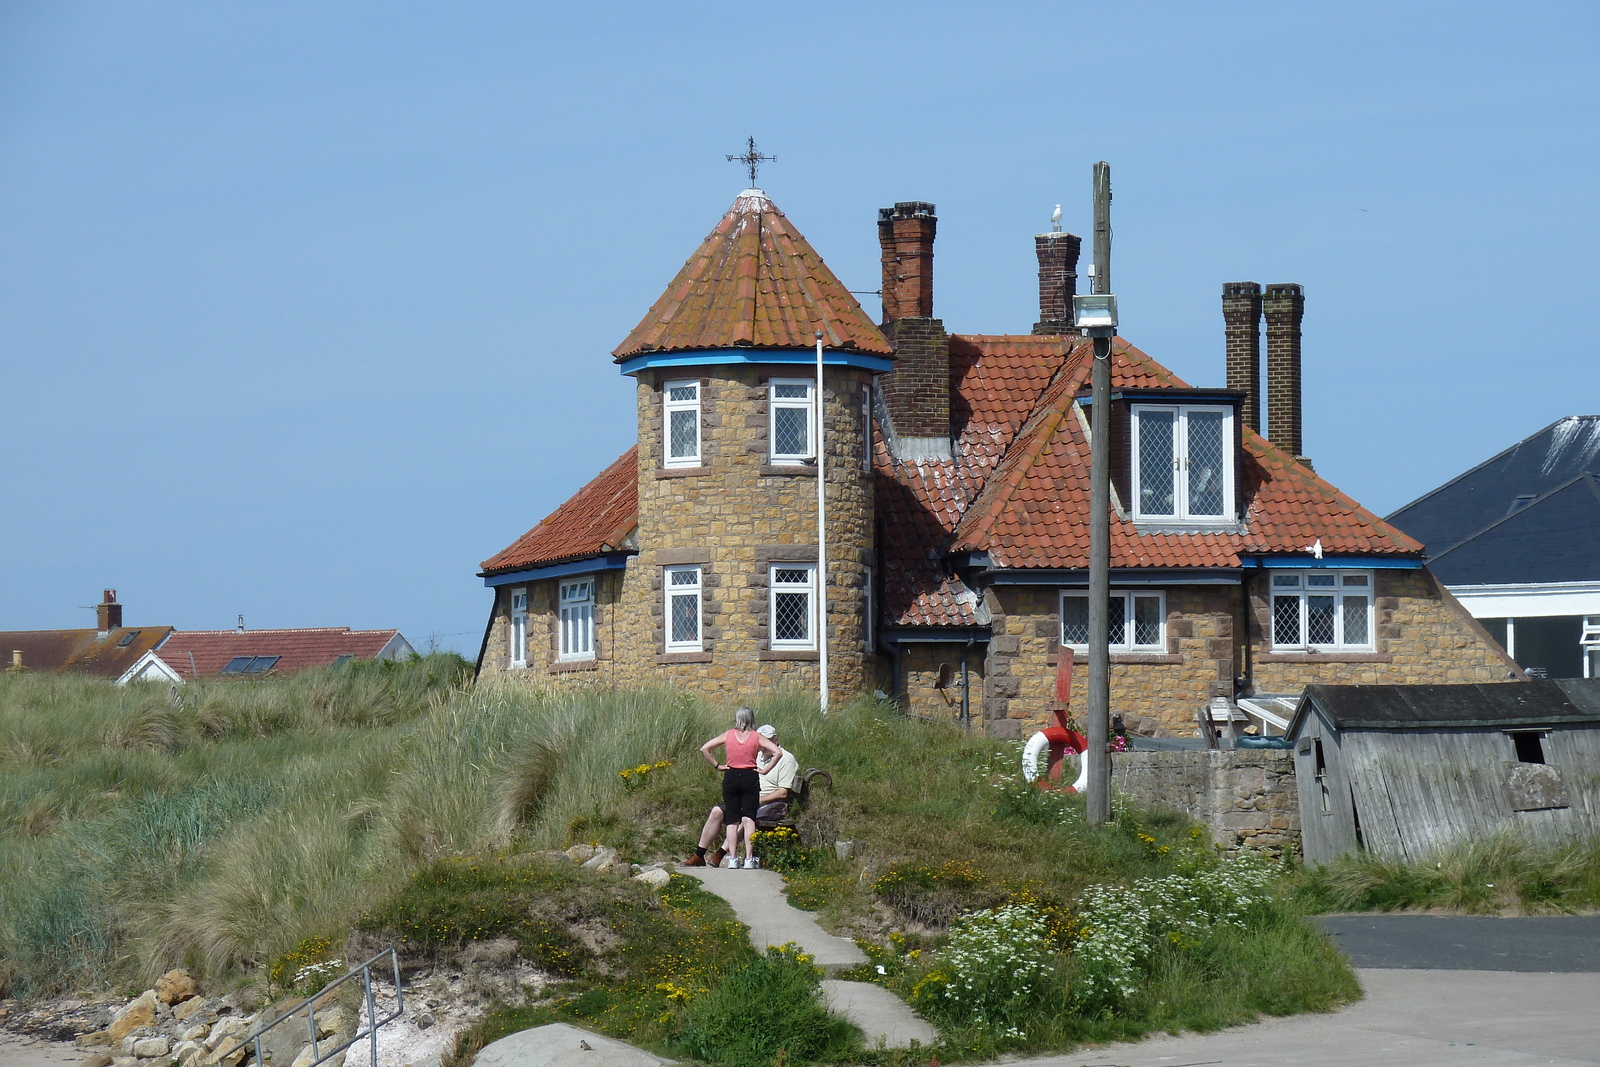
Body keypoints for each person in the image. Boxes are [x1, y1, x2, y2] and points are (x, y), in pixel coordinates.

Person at [686, 714, 785, 869]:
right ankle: (749, 859)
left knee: (732, 821)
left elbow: (704, 748)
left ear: (737, 720)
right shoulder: (756, 736)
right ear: (751, 720)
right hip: (749, 776)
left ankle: (732, 858)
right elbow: (778, 753)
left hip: (731, 776)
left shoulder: (728, 734)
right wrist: (765, 770)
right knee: (748, 819)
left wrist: (717, 766)